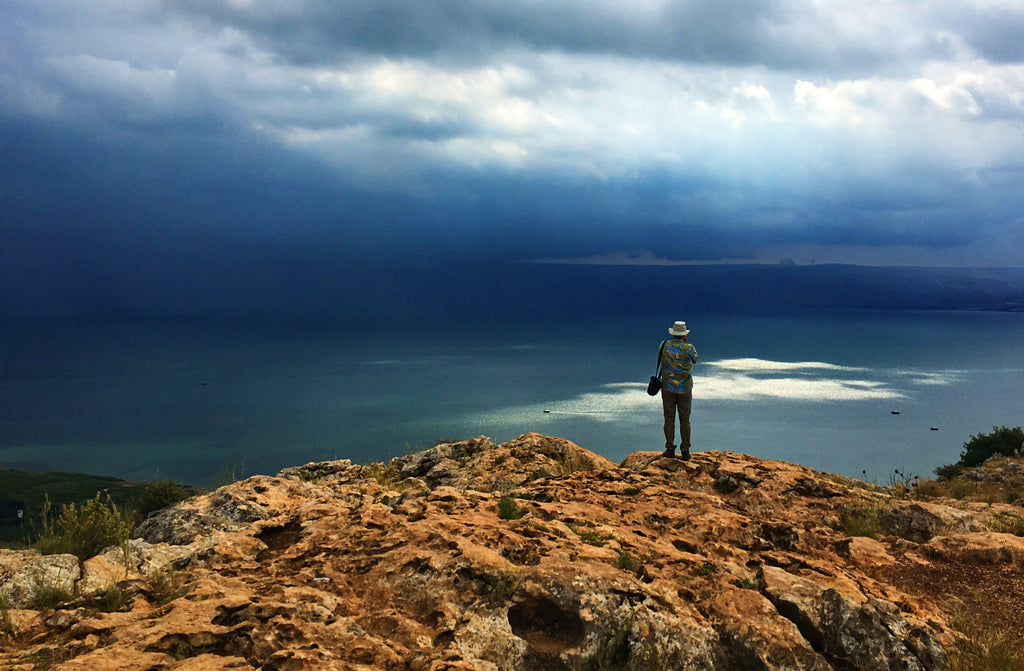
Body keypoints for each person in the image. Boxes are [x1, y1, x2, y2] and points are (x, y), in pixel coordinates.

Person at [659, 321, 698, 459]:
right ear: (684, 335)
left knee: (669, 419)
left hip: (668, 388)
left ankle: (670, 448)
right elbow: (695, 359)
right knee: (684, 420)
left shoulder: (664, 345)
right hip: (685, 389)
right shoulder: (689, 348)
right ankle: (685, 450)